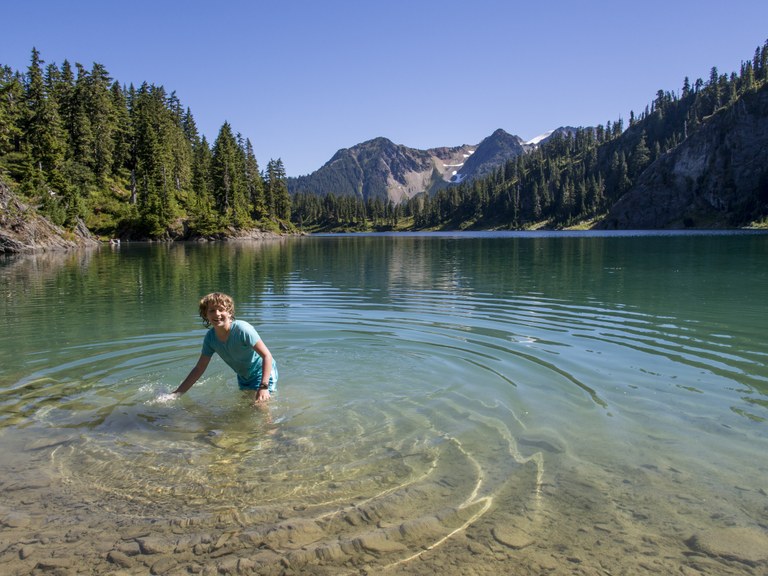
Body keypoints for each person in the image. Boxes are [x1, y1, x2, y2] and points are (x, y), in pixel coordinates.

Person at [173, 292, 278, 403]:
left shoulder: (242, 330)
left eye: (221, 309)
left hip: (263, 373)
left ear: (229, 312)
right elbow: (199, 368)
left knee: (260, 407)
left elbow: (267, 356)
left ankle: (273, 421)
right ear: (205, 315)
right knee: (246, 409)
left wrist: (263, 386)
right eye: (212, 310)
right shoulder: (210, 338)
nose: (217, 314)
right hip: (243, 377)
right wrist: (177, 394)